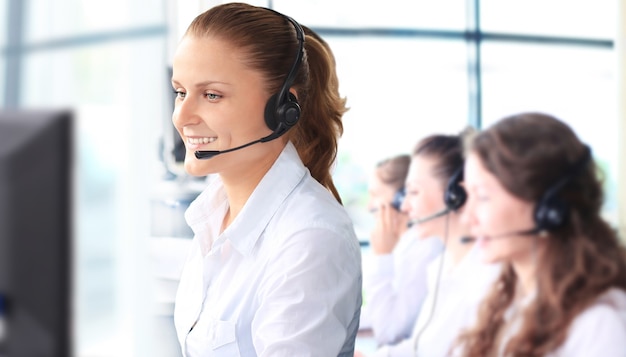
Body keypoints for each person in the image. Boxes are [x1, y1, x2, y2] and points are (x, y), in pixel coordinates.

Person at [170, 3, 362, 356]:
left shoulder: (309, 239)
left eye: (211, 95)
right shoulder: (213, 216)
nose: (181, 117)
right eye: (180, 92)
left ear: (282, 110)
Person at [455, 112, 626, 356]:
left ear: (548, 208)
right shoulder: (505, 302)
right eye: (468, 196)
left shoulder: (598, 327)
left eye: (482, 196)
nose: (466, 217)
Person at [357, 130, 501, 357]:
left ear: (455, 196)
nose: (404, 207)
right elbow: (424, 346)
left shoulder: (483, 277)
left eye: (413, 192)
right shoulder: (444, 265)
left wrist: (381, 257)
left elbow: (392, 332)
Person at [361, 154, 442, 345]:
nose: (369, 206)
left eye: (375, 195)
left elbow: (389, 332)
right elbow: (380, 313)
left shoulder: (426, 249)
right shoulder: (405, 244)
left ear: (400, 198)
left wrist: (382, 256)